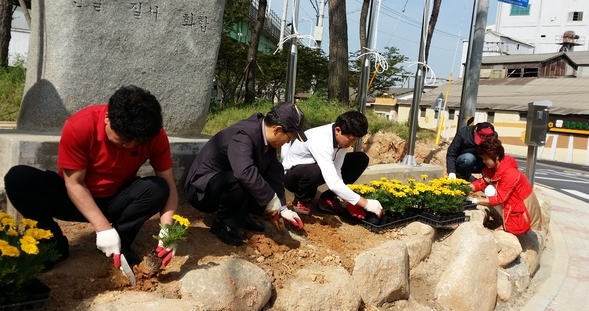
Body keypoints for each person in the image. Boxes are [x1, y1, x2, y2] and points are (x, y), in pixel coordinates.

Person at [4, 85, 179, 269]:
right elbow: (74, 184)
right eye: (124, 140)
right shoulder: (80, 126)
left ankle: (120, 242)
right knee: (18, 179)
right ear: (107, 118)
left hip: (116, 200)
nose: (130, 146)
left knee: (158, 188)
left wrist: (168, 231)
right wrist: (103, 228)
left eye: (137, 142)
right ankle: (52, 243)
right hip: (74, 199)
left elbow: (170, 187)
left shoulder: (152, 135)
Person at [184, 102, 305, 246]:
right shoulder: (245, 135)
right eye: (289, 138)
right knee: (243, 177)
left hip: (222, 184)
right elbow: (243, 172)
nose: (287, 143)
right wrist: (270, 199)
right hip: (201, 191)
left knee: (262, 175)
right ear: (277, 130)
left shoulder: (266, 139)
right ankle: (223, 224)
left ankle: (239, 216)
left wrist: (283, 208)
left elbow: (274, 172)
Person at [281, 111, 383, 219]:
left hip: (317, 170)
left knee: (360, 159)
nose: (352, 144)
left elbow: (337, 169)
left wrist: (350, 199)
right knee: (313, 171)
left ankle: (327, 199)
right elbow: (333, 182)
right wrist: (364, 203)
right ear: (338, 130)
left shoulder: (342, 138)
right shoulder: (321, 139)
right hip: (292, 176)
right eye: (352, 139)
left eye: (356, 140)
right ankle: (303, 200)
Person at [468, 137, 542, 236]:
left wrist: (475, 201)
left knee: (513, 228)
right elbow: (484, 181)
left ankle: (508, 223)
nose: (484, 161)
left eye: (485, 158)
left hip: (523, 212)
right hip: (513, 202)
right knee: (490, 190)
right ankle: (505, 217)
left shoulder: (510, 173)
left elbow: (500, 199)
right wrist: (467, 188)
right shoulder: (497, 167)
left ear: (496, 157)